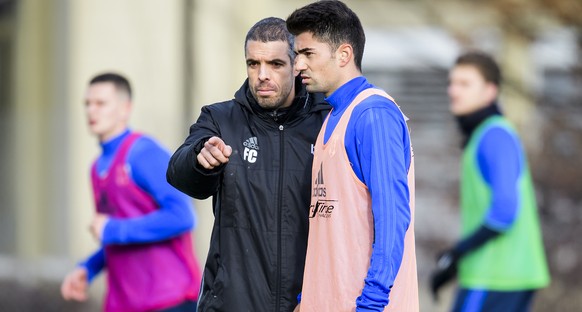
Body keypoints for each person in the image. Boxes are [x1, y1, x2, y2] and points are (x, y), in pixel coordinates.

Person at [166, 17, 329, 311]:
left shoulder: (327, 122)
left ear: (296, 66)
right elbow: (178, 172)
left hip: (307, 303)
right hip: (232, 302)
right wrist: (200, 159)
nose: (262, 75)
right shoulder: (220, 119)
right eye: (253, 64)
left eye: (275, 64)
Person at [286, 1, 418, 311]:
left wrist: (371, 304)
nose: (298, 66)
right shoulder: (333, 117)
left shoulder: (373, 114)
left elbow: (393, 219)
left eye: (307, 54)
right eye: (296, 55)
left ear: (344, 54)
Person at [61, 73, 202, 312]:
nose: (91, 111)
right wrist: (89, 267)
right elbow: (117, 236)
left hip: (169, 301)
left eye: (101, 103)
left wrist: (112, 229)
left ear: (125, 108)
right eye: (87, 103)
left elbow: (182, 216)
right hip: (124, 304)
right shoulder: (97, 169)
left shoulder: (143, 153)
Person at [430, 52, 550, 311]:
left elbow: (505, 211)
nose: (453, 91)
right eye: (452, 83)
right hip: (503, 274)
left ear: (490, 91)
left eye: (464, 84)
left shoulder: (494, 135)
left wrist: (457, 253)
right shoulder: (483, 135)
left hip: (496, 275)